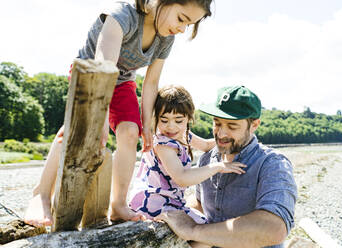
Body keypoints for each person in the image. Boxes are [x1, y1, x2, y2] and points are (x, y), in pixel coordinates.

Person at [24, 0, 213, 227]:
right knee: (77, 130)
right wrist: (100, 115)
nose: (182, 29)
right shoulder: (122, 16)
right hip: (91, 73)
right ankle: (41, 194)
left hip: (123, 84)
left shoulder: (166, 38)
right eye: (181, 19)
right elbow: (105, 63)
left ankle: (118, 204)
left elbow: (151, 83)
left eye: (189, 24)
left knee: (131, 133)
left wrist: (147, 125)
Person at [155, 85, 298, 248]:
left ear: (254, 125)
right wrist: (170, 211)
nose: (221, 134)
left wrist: (193, 230)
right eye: (217, 124)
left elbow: (275, 228)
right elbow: (201, 203)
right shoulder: (207, 159)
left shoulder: (272, 164)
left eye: (232, 126)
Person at [128, 85, 246, 224]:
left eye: (178, 120)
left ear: (188, 118)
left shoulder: (184, 135)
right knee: (205, 229)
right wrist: (219, 167)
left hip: (171, 201)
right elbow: (182, 178)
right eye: (164, 120)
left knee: (205, 227)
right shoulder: (163, 144)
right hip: (154, 202)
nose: (171, 127)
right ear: (156, 118)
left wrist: (235, 139)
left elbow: (207, 145)